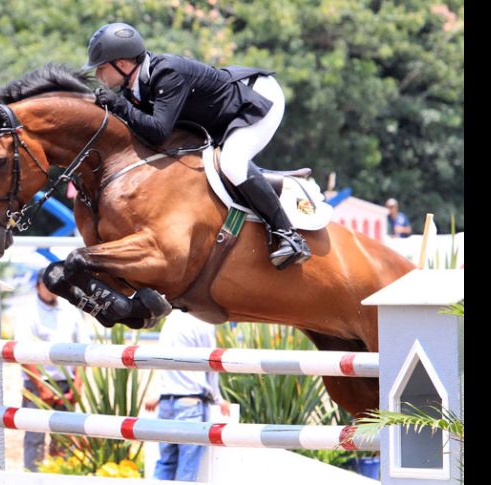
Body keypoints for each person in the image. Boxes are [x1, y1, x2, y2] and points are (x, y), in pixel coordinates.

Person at [83, 22, 310, 270]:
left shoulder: (166, 74)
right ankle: (268, 182)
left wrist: (120, 106)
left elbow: (158, 132)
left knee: (231, 162)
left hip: (256, 99)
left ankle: (288, 235)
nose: (98, 75)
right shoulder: (134, 90)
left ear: (122, 64)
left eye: (101, 67)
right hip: (223, 113)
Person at [14, 268, 91, 472]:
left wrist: (77, 385)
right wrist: (41, 387)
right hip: (37, 383)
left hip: (67, 383)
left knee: (63, 437)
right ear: (38, 286)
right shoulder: (27, 312)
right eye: (48, 285)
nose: (53, 289)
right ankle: (33, 477)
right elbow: (23, 352)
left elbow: (84, 349)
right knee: (35, 436)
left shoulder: (71, 311)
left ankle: (59, 475)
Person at [143, 310, 231, 481]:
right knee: (187, 469)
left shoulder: (170, 320)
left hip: (167, 402)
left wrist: (158, 394)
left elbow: (162, 361)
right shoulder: (204, 321)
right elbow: (212, 362)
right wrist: (218, 399)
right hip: (191, 402)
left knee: (165, 463)